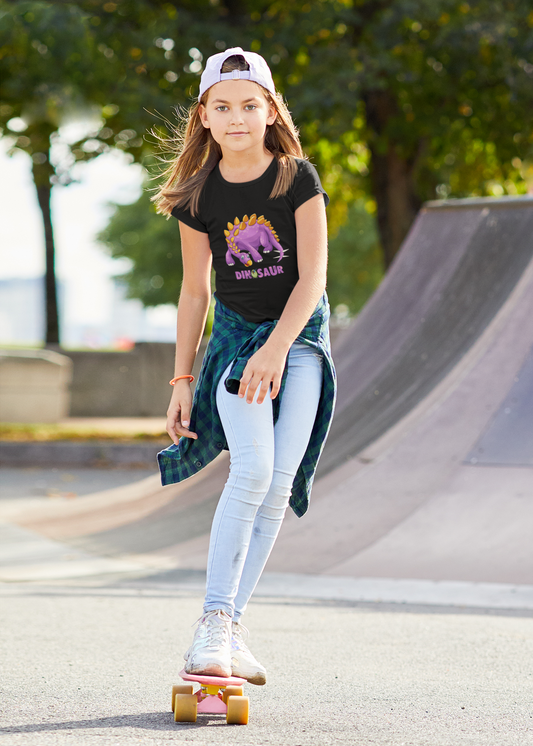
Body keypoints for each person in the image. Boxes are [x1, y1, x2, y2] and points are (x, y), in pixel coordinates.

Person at [152, 47, 336, 687]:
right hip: (235, 343)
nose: (237, 118)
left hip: (299, 340)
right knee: (252, 469)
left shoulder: (295, 178)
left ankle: (230, 627)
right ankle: (211, 623)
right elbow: (194, 293)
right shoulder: (198, 194)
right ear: (204, 116)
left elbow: (312, 277)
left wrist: (277, 348)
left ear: (270, 111)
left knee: (278, 483)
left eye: (250, 105)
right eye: (223, 107)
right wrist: (182, 380)